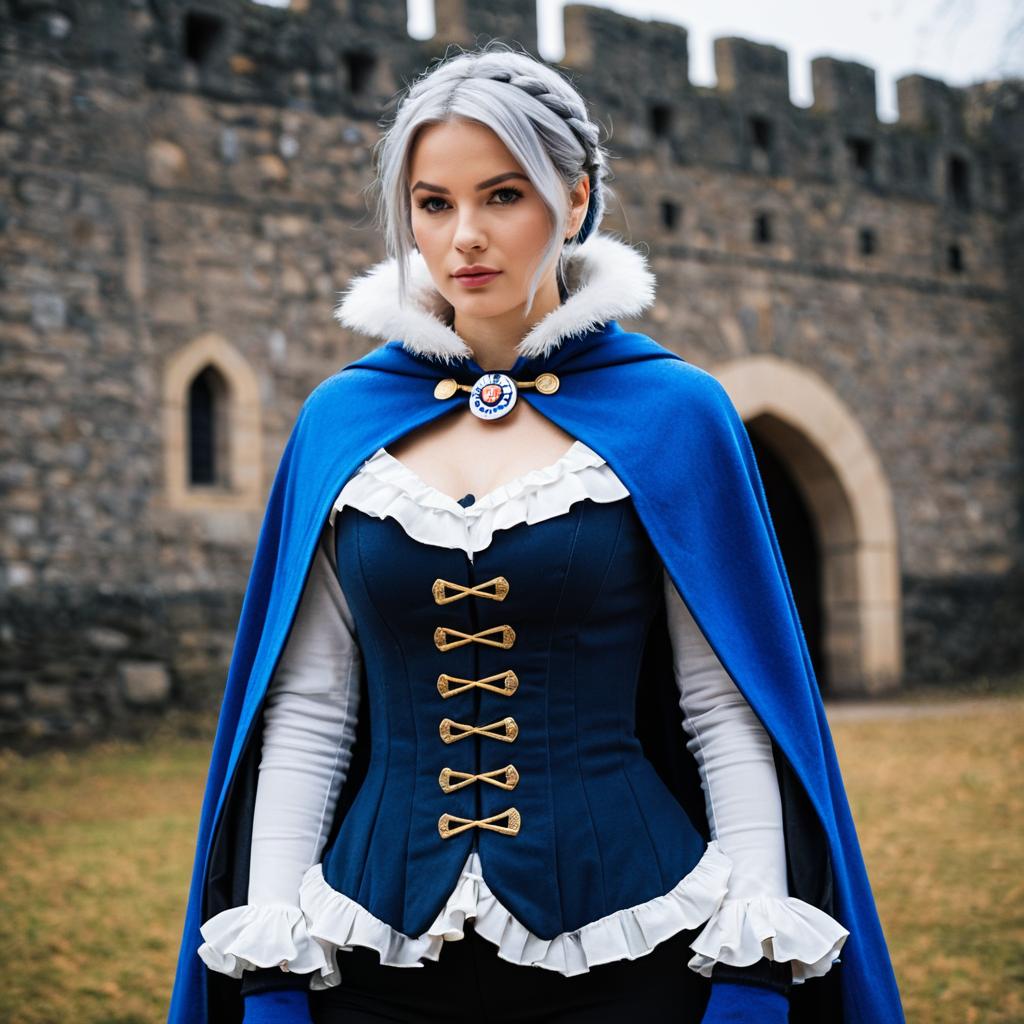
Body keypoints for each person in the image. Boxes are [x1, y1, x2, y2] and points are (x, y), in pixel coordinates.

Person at [168, 43, 905, 1024]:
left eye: (502, 195)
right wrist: (267, 968)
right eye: (433, 204)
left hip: (634, 948)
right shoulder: (343, 422)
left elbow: (723, 706)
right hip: (371, 958)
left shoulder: (673, 411)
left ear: (575, 199)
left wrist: (755, 961)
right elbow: (306, 710)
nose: (465, 236)